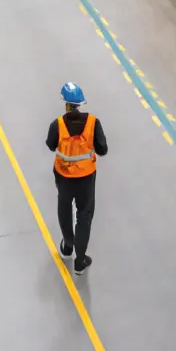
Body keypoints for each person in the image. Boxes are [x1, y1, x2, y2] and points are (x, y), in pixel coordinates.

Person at [46, 82, 107, 275]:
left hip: (63, 177)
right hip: (86, 179)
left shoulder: (57, 125)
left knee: (64, 209)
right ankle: (80, 261)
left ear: (65, 104)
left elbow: (50, 145)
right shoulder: (93, 123)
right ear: (80, 103)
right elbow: (103, 149)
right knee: (84, 215)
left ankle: (67, 246)